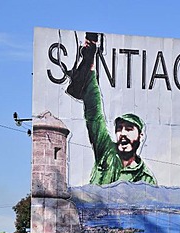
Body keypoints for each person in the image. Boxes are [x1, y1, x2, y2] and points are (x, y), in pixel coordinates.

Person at [66, 33, 157, 186]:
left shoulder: (145, 178)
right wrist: (90, 63)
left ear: (141, 135)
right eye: (119, 128)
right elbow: (95, 116)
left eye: (129, 129)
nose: (123, 133)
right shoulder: (106, 152)